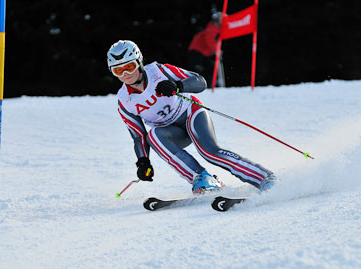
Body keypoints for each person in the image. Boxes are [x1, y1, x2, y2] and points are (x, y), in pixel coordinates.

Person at [107, 40, 276, 195]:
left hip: (191, 114)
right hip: (172, 132)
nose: (126, 74)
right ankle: (203, 178)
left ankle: (264, 177)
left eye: (129, 66)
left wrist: (178, 86)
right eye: (118, 70)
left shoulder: (158, 71)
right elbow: (138, 136)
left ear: (139, 62)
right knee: (153, 137)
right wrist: (143, 161)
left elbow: (200, 82)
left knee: (210, 152)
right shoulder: (124, 101)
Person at [187, 15, 221, 87]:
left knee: (210, 67)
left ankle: (208, 85)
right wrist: (215, 50)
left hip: (200, 52)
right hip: (196, 51)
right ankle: (194, 86)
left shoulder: (214, 28)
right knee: (196, 70)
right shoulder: (213, 28)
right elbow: (209, 40)